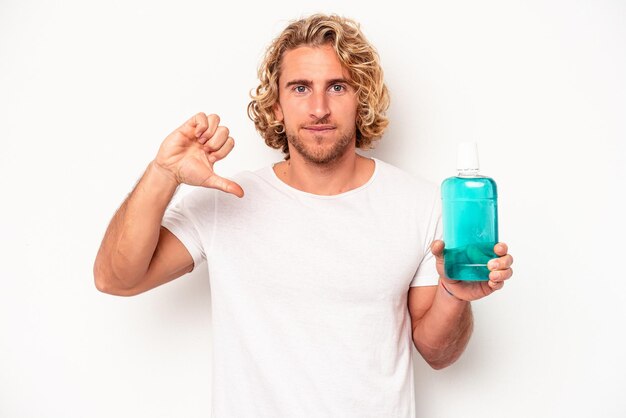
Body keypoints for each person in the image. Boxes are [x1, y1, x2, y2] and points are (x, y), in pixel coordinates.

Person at [93, 13, 514, 417]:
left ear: (360, 99)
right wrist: (163, 174)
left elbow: (438, 353)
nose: (318, 108)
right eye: (299, 88)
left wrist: (455, 294)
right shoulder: (227, 200)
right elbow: (115, 279)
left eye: (336, 87)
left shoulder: (420, 204)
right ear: (275, 105)